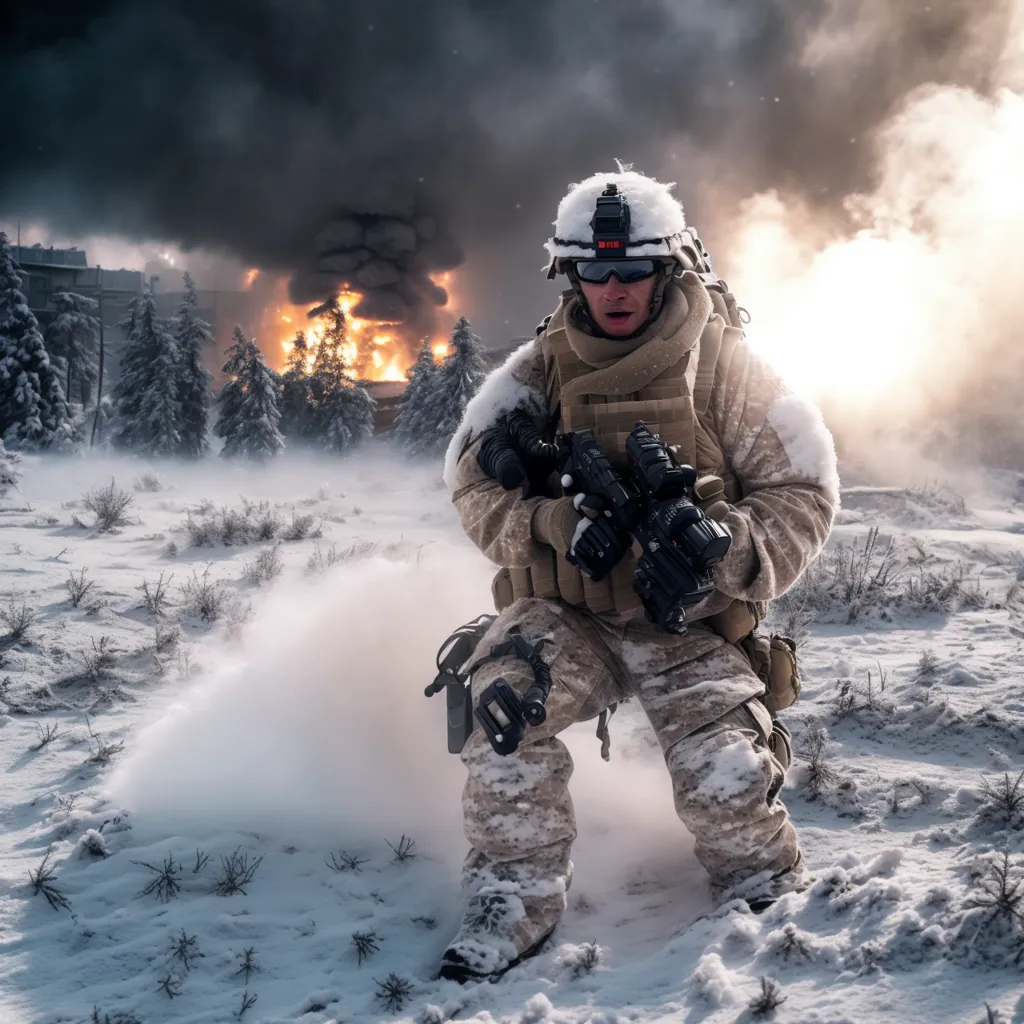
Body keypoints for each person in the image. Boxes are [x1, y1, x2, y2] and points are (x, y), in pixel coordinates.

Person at [438, 168, 839, 983]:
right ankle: (513, 895)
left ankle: (764, 896)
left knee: (726, 778)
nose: (614, 290)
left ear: (668, 271)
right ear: (570, 275)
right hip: (568, 616)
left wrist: (722, 547)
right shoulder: (532, 375)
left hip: (686, 623)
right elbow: (471, 484)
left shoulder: (727, 369)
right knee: (503, 707)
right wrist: (548, 522)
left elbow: (806, 490)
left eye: (631, 272)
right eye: (595, 272)